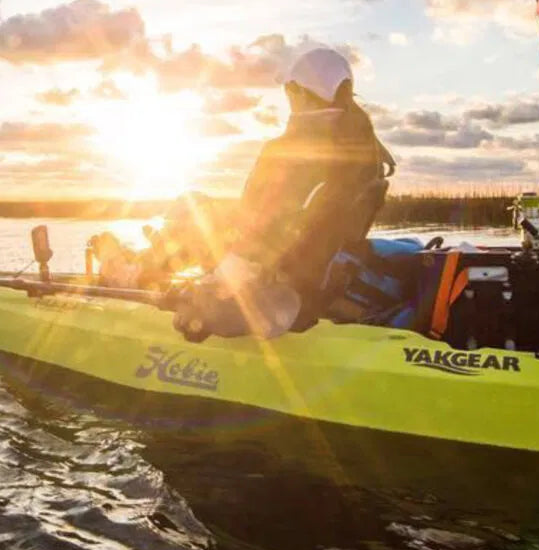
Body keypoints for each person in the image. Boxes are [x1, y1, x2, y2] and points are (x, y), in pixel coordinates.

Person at [145, 47, 392, 341]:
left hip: (283, 286)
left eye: (289, 89)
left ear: (298, 91)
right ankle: (145, 269)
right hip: (326, 275)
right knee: (209, 217)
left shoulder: (289, 152)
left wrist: (217, 284)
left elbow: (267, 229)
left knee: (193, 206)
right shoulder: (366, 151)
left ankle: (137, 277)